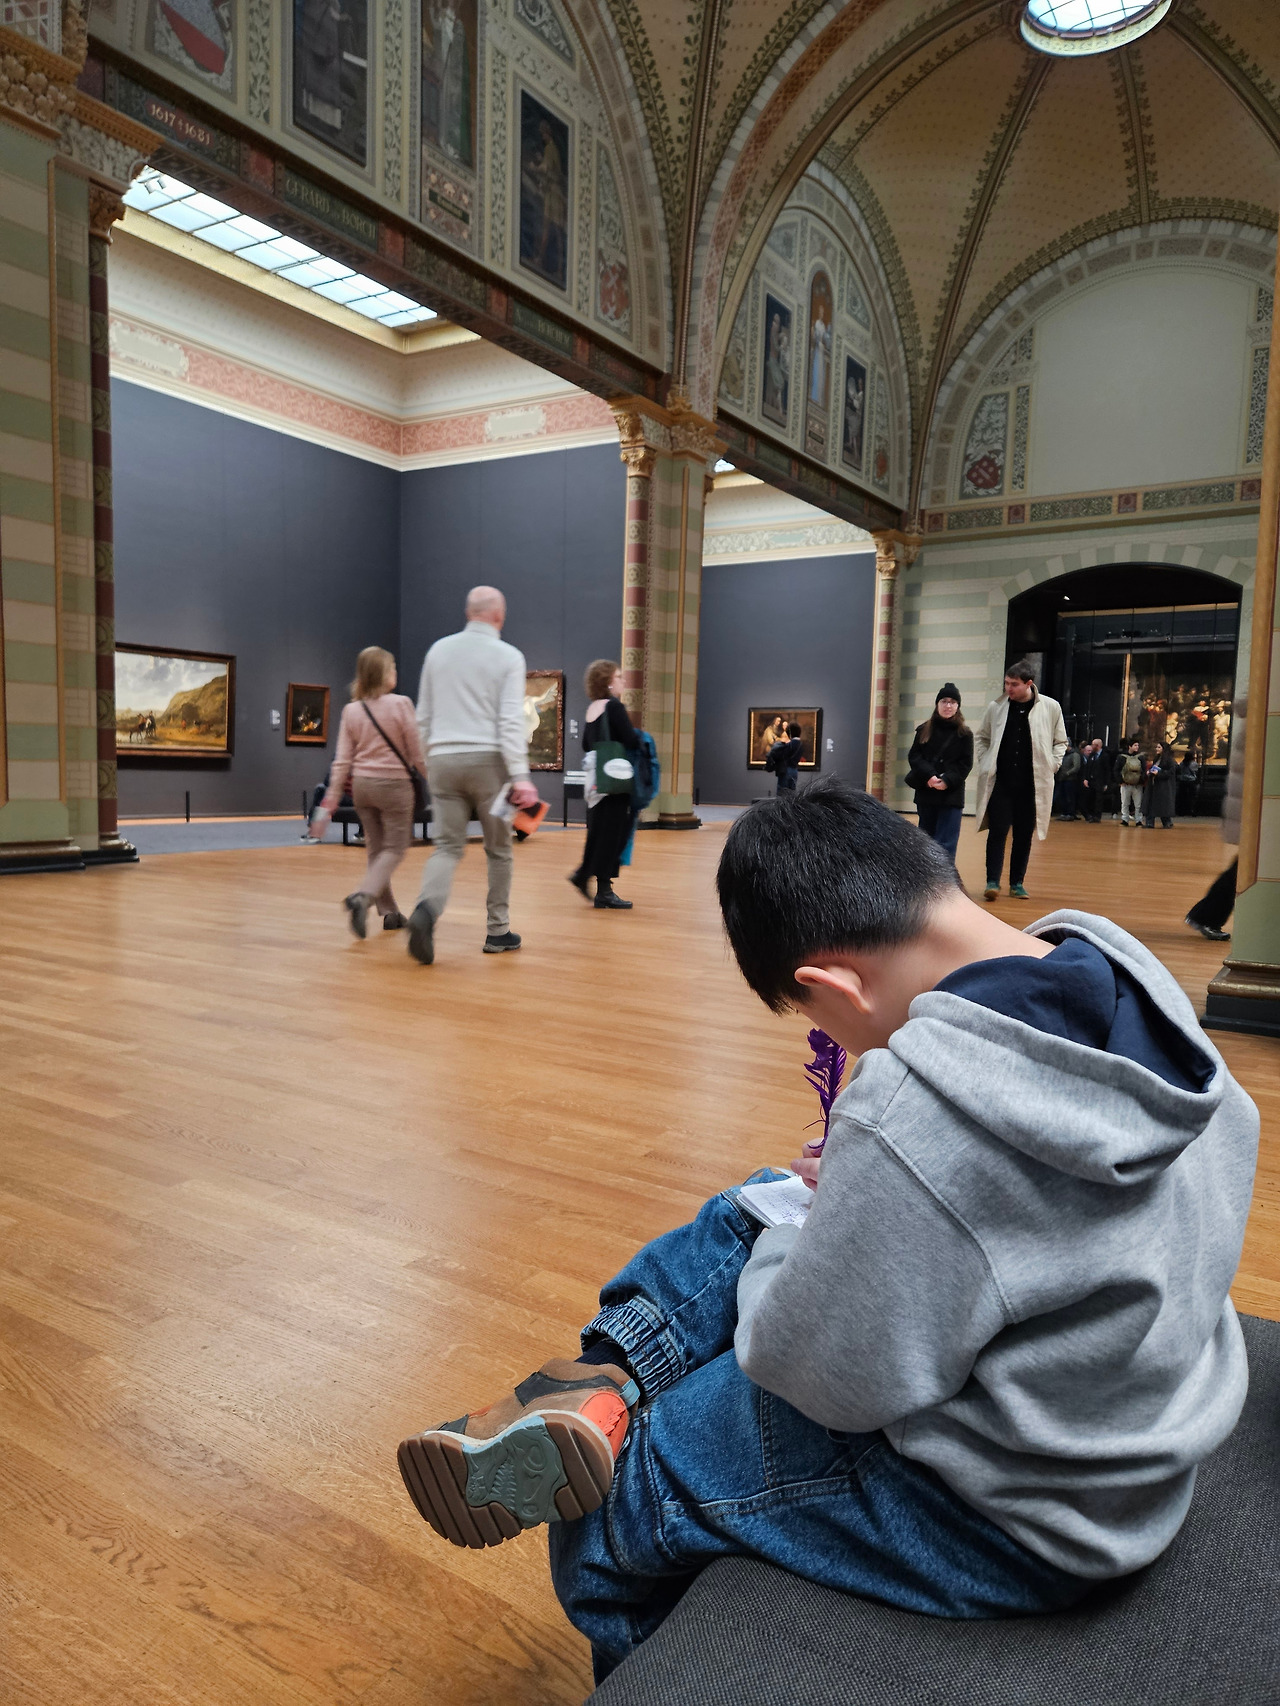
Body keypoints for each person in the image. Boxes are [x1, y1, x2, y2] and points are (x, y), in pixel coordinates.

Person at [395, 780, 1257, 1687]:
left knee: (608, 1511)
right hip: (1127, 1420)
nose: (837, 1043)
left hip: (1020, 1515)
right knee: (761, 1199)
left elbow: (816, 1376)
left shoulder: (912, 1119)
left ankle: (656, 1564)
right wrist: (843, 1192)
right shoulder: (1128, 987)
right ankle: (610, 1369)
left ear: (831, 983)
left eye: (817, 1020)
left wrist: (846, 1194)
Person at [406, 586, 540, 964]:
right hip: (490, 765)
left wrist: (429, 763)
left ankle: (426, 910)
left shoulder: (438, 651)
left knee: (447, 847)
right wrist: (521, 775)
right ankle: (498, 931)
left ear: (468, 613)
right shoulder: (509, 656)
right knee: (499, 850)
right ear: (499, 615)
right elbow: (510, 721)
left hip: (443, 761)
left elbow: (423, 717)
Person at [309, 647, 426, 937]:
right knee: (396, 847)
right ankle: (363, 895)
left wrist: (331, 800)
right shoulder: (401, 704)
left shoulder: (352, 710)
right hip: (394, 786)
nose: (395, 672)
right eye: (392, 667)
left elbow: (342, 761)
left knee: (376, 848)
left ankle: (389, 912)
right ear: (383, 673)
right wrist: (435, 780)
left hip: (362, 787)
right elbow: (417, 753)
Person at [972, 661, 1068, 901]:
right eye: (1006, 683)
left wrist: (1053, 764)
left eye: (1014, 684)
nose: (1008, 688)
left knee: (1024, 835)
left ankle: (1017, 883)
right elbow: (982, 737)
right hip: (1001, 784)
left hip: (1031, 786)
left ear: (1029, 684)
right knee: (997, 832)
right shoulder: (996, 707)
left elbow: (1061, 742)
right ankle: (992, 882)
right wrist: (985, 761)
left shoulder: (1051, 707)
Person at [569, 659, 641, 910]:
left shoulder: (592, 709)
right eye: (619, 677)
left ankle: (589, 879)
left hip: (596, 783)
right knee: (613, 836)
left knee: (599, 833)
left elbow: (586, 744)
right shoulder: (614, 706)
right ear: (608, 682)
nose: (623, 681)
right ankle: (600, 888)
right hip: (615, 781)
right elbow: (630, 740)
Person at [1186, 696, 1244, 942]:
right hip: (1257, 813)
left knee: (1241, 870)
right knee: (1242, 871)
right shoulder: (1265, 717)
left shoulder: (1262, 715)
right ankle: (1206, 916)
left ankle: (1205, 916)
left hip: (1254, 811)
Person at [905, 683, 972, 864]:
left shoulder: (965, 734)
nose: (948, 705)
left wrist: (947, 780)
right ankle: (925, 877)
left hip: (951, 795)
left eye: (952, 702)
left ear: (958, 706)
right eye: (944, 701)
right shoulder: (924, 730)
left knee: (947, 844)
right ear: (937, 704)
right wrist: (929, 776)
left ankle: (944, 879)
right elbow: (914, 756)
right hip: (927, 791)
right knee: (924, 841)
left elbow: (965, 764)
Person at [1143, 741, 1177, 830]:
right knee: (1151, 803)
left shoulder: (1169, 760)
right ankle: (1150, 822)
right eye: (1157, 747)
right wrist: (1150, 772)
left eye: (1159, 747)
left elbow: (1171, 772)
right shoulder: (1157, 758)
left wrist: (1159, 773)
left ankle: (1167, 822)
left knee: (1162, 805)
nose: (1156, 749)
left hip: (1163, 786)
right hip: (1154, 785)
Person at [767, 720, 805, 795]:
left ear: (790, 733)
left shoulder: (789, 745)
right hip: (794, 770)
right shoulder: (801, 745)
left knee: (782, 793)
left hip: (785, 770)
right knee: (792, 794)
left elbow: (781, 755)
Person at [1116, 739, 1144, 827]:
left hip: (1137, 784)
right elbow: (1117, 770)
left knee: (1138, 804)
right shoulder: (1122, 757)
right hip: (1126, 784)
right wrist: (1120, 781)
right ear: (1130, 746)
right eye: (1135, 745)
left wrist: (1141, 781)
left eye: (1138, 745)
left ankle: (1138, 820)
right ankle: (1125, 819)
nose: (1137, 747)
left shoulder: (1140, 757)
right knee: (1125, 803)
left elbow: (1143, 770)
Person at [1080, 737, 1108, 824]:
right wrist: (1085, 778)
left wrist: (1106, 783)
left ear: (1098, 746)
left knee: (1098, 799)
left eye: (1093, 745)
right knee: (1090, 798)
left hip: (1100, 781)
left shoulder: (1105, 756)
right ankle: (1091, 815)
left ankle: (1097, 816)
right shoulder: (1092, 755)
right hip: (1091, 781)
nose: (1092, 746)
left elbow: (1107, 770)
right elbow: (1087, 768)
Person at [1053, 740, 1082, 820]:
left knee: (1070, 798)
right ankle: (1064, 813)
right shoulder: (1063, 755)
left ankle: (1070, 813)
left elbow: (1076, 767)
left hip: (1070, 780)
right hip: (1061, 779)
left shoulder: (1075, 755)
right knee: (1062, 798)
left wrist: (1067, 773)